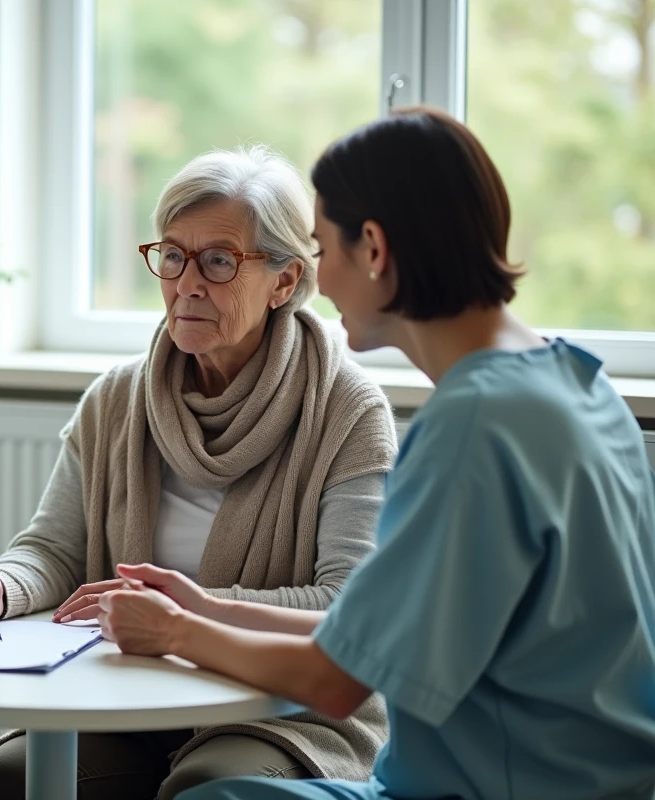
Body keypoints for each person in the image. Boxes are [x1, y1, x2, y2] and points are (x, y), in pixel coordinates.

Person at [97, 108, 655, 800]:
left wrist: (177, 631)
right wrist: (208, 606)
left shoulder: (473, 426)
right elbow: (371, 629)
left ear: (375, 249)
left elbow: (337, 679)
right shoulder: (580, 385)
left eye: (323, 252)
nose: (320, 286)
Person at [0, 146, 399, 800]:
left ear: (285, 282)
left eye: (217, 261)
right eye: (172, 256)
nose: (186, 283)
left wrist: (187, 613)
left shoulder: (347, 410)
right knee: (4, 781)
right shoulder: (117, 398)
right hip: (122, 694)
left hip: (277, 709)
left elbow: (347, 604)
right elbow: (52, 549)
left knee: (208, 787)